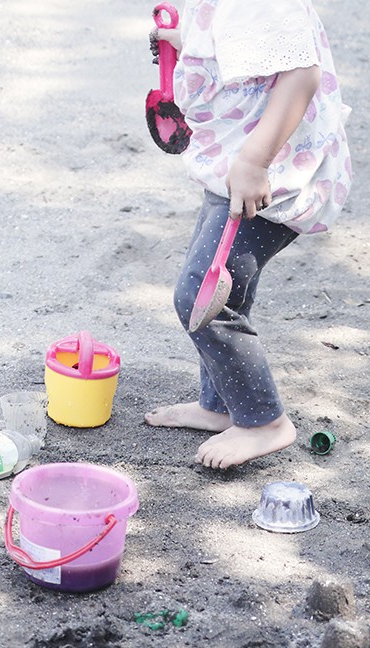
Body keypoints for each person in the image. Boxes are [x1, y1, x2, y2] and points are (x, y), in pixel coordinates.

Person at [143, 0, 353, 469]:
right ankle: (221, 407)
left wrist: (255, 162)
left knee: (203, 294)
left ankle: (263, 423)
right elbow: (246, 48)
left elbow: (300, 74)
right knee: (224, 291)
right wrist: (188, 45)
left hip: (267, 174)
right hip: (235, 165)